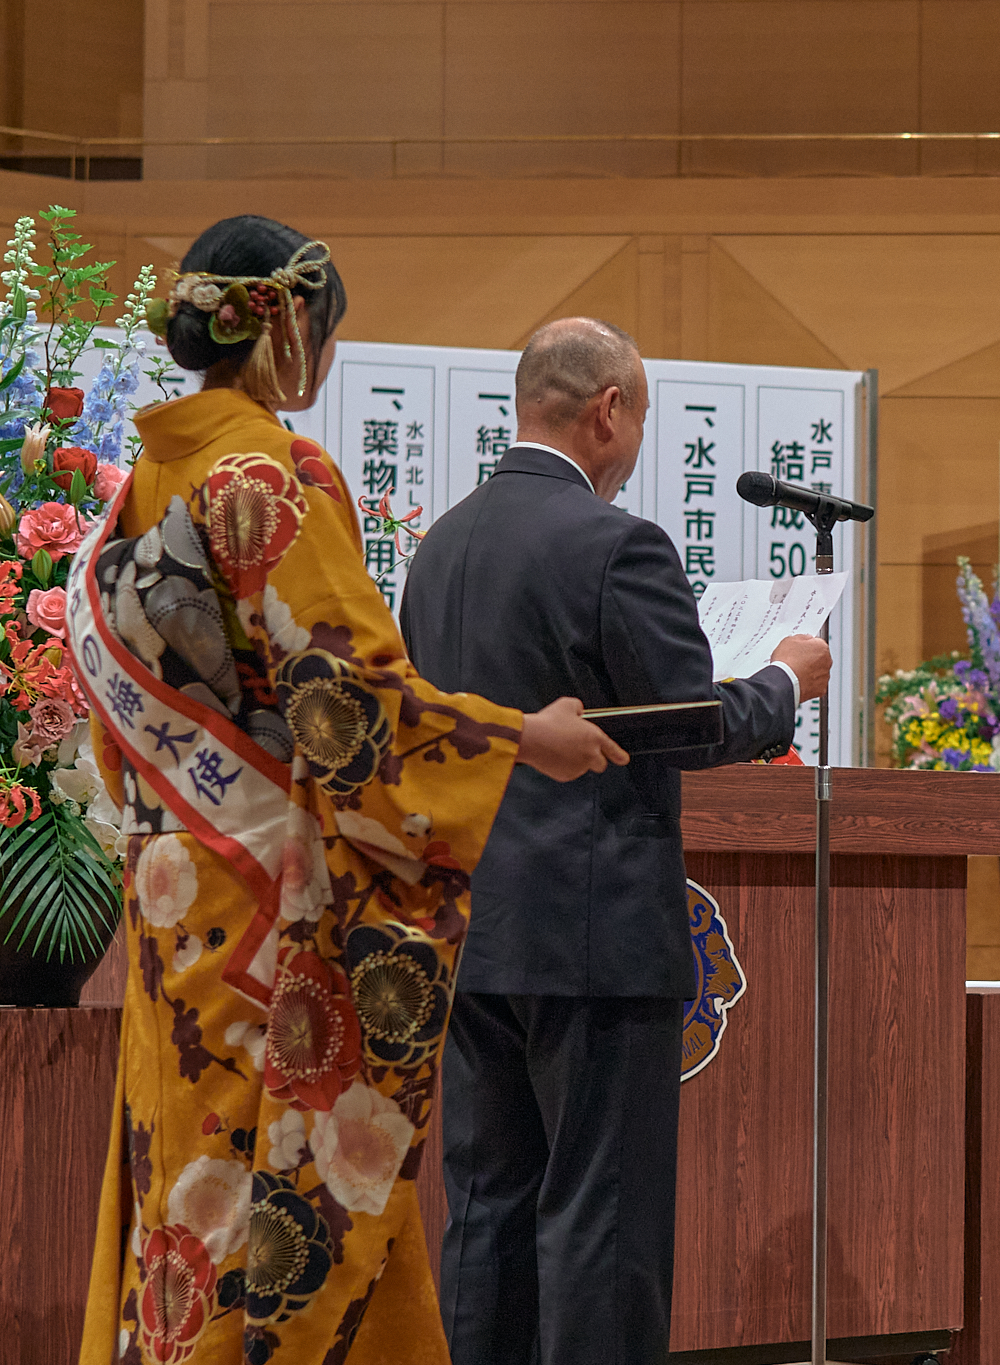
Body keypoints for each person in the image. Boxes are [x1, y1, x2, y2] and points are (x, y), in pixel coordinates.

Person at [74, 216, 623, 1364]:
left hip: (173, 890)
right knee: (272, 1198)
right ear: (285, 329)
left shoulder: (141, 483)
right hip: (272, 905)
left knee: (186, 1177)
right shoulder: (269, 472)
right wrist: (527, 732)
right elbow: (354, 705)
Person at [399, 317, 832, 1365]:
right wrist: (783, 680)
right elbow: (688, 725)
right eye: (637, 414)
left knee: (487, 1205)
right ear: (609, 412)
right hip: (592, 933)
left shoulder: (442, 543)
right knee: (603, 1214)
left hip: (471, 925)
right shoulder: (615, 542)